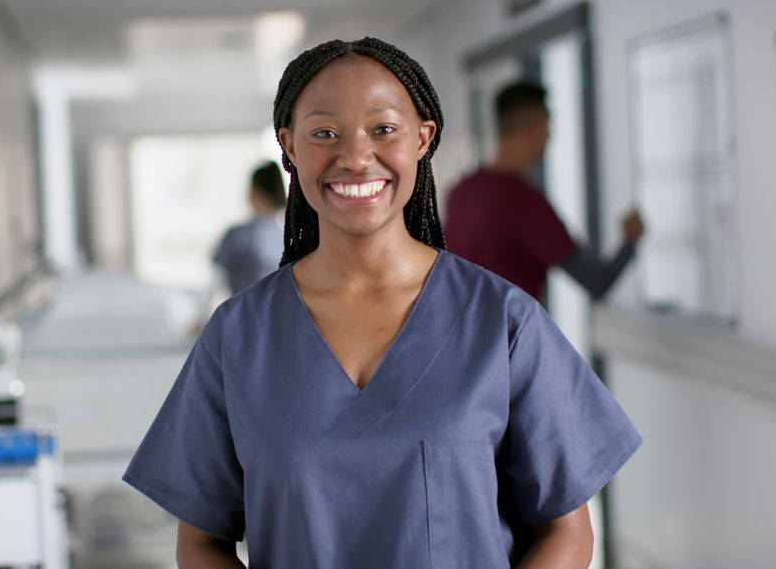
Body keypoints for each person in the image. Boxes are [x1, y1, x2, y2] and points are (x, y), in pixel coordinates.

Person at [123, 38, 641, 568]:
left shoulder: (504, 321)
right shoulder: (239, 335)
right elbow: (201, 542)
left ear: (423, 138)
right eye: (325, 133)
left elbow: (567, 533)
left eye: (383, 129)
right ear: (290, 145)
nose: (354, 157)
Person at [444, 81, 645, 303]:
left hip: (460, 335)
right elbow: (597, 282)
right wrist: (630, 240)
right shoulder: (524, 203)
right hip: (510, 336)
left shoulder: (459, 194)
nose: (549, 138)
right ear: (533, 128)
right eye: (548, 128)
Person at [212, 162, 287, 295]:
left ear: (255, 190)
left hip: (242, 313)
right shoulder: (288, 238)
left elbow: (215, 282)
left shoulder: (237, 236)